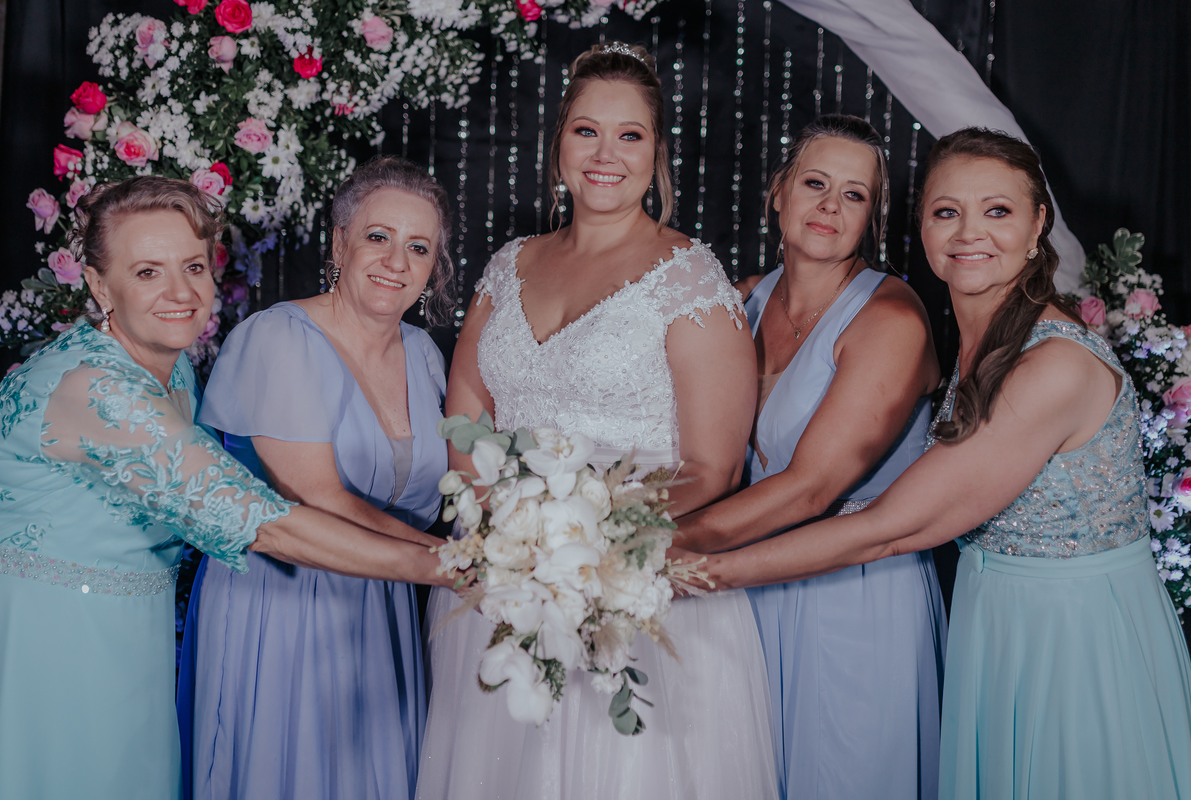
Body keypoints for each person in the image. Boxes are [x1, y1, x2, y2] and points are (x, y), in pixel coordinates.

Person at [679, 128, 1191, 798]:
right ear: (920, 225)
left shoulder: (1053, 365)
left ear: (1038, 224)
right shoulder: (985, 340)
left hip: (1074, 641)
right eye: (948, 211)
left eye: (998, 211)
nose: (969, 232)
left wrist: (688, 572)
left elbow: (891, 527)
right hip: (994, 622)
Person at [0, 176, 457, 800]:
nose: (180, 293)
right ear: (100, 286)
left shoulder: (170, 365)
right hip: (55, 641)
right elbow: (263, 521)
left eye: (192, 267)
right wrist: (452, 568)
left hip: (135, 631)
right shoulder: (98, 389)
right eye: (148, 272)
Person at [416, 43, 778, 799]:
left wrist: (584, 540)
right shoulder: (509, 263)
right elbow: (468, 408)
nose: (605, 155)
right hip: (501, 581)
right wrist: (500, 537)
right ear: (559, 145)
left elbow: (713, 467)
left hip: (634, 587)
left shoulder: (689, 279)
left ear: (657, 154)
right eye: (586, 131)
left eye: (630, 135)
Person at [674, 114, 946, 800]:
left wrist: (648, 547)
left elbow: (811, 488)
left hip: (850, 593)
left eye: (854, 195)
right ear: (778, 191)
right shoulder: (738, 301)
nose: (830, 206)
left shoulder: (892, 321)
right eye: (815, 183)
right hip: (742, 588)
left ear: (872, 219)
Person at [178, 157, 453, 800]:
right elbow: (319, 497)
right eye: (378, 237)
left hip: (383, 604)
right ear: (339, 243)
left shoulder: (424, 354)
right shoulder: (280, 337)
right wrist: (460, 564)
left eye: (418, 247)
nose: (396, 261)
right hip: (284, 604)